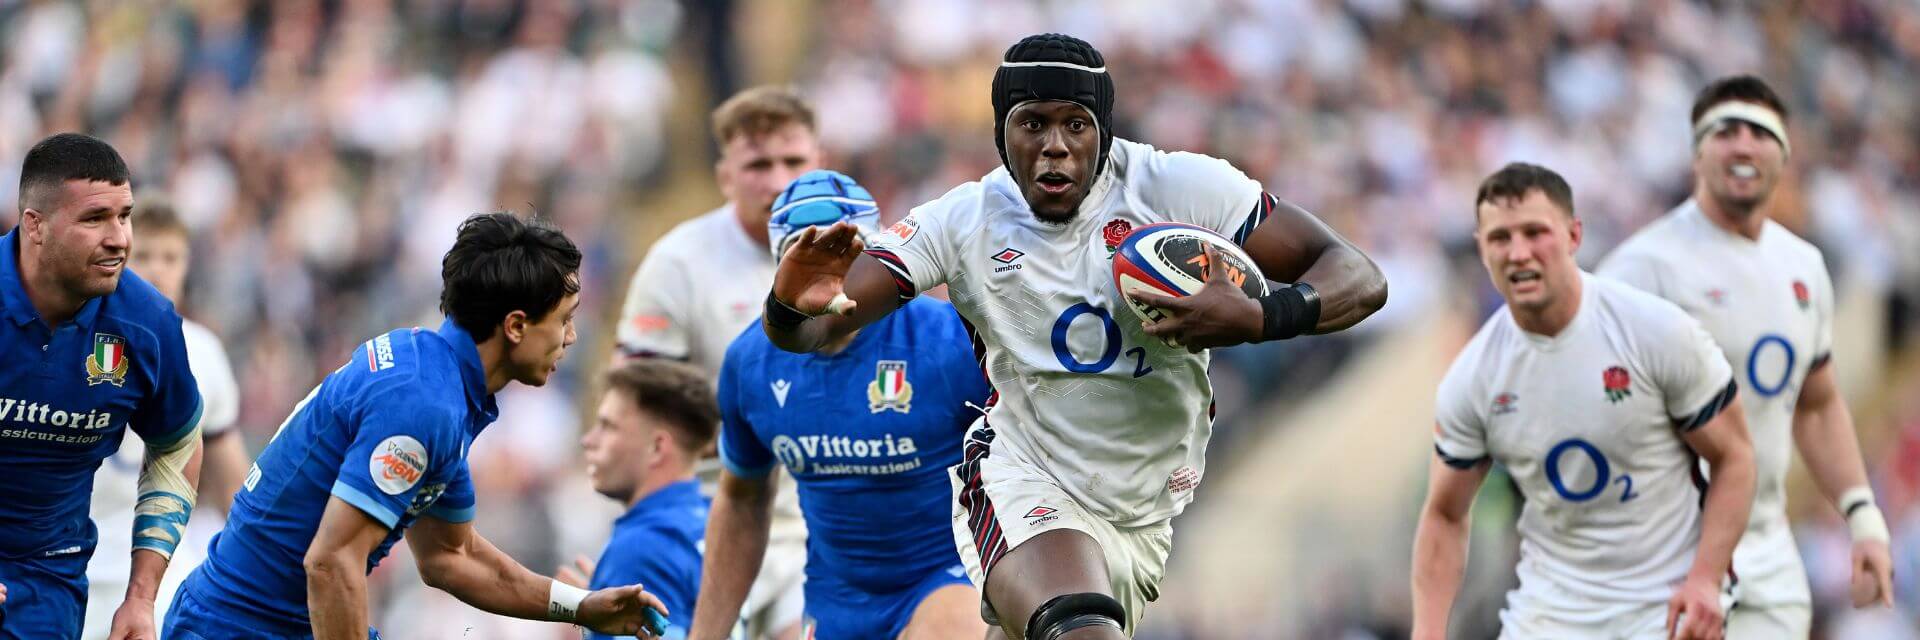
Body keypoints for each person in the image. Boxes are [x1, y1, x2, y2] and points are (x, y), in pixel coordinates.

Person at [763, 33, 1388, 638]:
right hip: (1026, 479)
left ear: (1104, 130)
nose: (1055, 145)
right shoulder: (963, 220)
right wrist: (789, 307)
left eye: (1076, 124)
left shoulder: (1180, 188)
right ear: (1002, 133)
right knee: (1080, 631)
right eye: (1032, 123)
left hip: (1145, 511)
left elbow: (1356, 274)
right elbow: (816, 329)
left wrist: (1263, 317)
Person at [164, 213, 667, 639]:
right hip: (240, 626)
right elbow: (332, 561)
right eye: (564, 319)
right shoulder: (425, 405)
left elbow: (452, 555)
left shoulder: (434, 376)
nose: (572, 337)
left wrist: (580, 606)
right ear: (515, 326)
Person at [1598, 75, 1895, 635]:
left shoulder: (1803, 266)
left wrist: (1863, 517)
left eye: (1759, 132)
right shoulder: (1639, 270)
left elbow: (1816, 405)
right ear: (1696, 153)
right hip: (1667, 561)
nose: (1741, 144)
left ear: (1783, 154)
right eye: (1724, 131)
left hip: (1768, 552)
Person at [1410, 163, 1757, 640]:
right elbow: (1445, 515)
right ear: (1482, 251)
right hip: (1551, 614)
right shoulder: (1473, 379)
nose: (1519, 253)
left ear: (1574, 236)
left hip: (1665, 604)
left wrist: (1705, 580)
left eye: (1536, 232)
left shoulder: (1654, 331)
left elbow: (1735, 456)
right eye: (1500, 238)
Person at [690, 171, 990, 640]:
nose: (828, 276)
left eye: (846, 255)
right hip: (836, 600)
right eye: (807, 260)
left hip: (948, 576)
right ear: (779, 268)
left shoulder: (951, 340)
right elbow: (742, 498)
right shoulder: (750, 365)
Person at [614, 84, 818, 640]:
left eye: (793, 161)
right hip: (710, 514)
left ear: (817, 162)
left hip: (817, 519)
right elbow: (638, 406)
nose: (778, 180)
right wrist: (752, 430)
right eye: (758, 164)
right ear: (726, 175)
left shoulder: (856, 255)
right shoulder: (678, 263)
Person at [0, 133, 205, 640]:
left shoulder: (147, 325)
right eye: (95, 219)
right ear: (35, 226)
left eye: (124, 215)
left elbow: (177, 447)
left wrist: (141, 597)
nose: (120, 239)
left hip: (48, 579)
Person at [82, 201, 250, 639]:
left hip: (159, 575)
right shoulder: (80, 337)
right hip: (74, 564)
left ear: (187, 264)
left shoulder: (205, 353)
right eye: (146, 256)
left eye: (170, 257)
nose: (157, 270)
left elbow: (233, 483)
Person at [562, 359, 721, 639]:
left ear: (657, 447)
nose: (589, 440)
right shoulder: (713, 521)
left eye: (608, 426)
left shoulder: (642, 547)